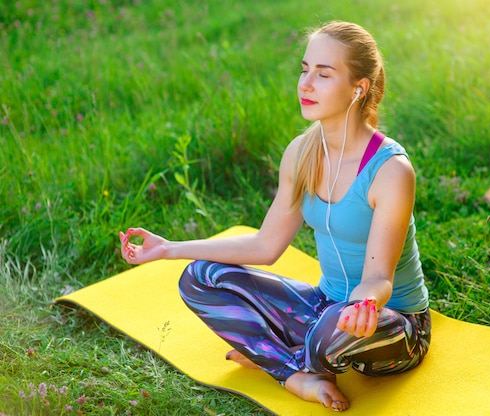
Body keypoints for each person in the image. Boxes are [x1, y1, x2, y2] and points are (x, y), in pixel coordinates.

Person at [119, 21, 430, 412]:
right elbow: (265, 245)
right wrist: (169, 249)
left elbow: (378, 277)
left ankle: (278, 357)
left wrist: (363, 307)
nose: (305, 83)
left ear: (358, 88)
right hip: (325, 306)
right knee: (200, 277)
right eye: (304, 69)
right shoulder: (301, 154)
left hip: (390, 322)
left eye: (323, 73)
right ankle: (296, 373)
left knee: (327, 336)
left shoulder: (391, 171)